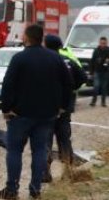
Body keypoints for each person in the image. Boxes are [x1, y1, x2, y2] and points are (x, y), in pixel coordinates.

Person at [0, 25, 72, 200]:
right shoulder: (55, 58)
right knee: (40, 152)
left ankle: (12, 190)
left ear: (27, 38)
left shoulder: (19, 58)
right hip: (46, 115)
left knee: (14, 151)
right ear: (41, 38)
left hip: (20, 114)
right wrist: (62, 106)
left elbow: (7, 85)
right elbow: (68, 83)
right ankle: (35, 190)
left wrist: (6, 109)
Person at [43, 34, 87, 181]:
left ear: (46, 45)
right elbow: (83, 77)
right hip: (64, 108)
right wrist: (72, 89)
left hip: (46, 109)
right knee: (64, 140)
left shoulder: (44, 60)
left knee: (45, 141)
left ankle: (45, 173)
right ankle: (68, 172)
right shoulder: (68, 60)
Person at [89, 36, 109, 107]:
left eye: (104, 43)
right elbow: (92, 61)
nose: (103, 44)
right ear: (99, 43)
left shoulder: (108, 50)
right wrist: (91, 72)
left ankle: (103, 102)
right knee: (96, 87)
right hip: (97, 71)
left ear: (106, 43)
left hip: (106, 72)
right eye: (101, 43)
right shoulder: (96, 50)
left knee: (104, 88)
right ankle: (93, 101)